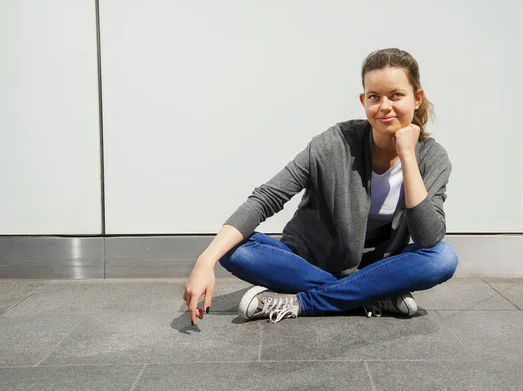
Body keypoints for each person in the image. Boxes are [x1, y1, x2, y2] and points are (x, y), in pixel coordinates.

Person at [183, 48, 458, 325]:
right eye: (374, 97)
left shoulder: (433, 157)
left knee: (442, 257)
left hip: (378, 267)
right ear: (363, 101)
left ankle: (306, 301)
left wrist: (408, 156)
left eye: (396, 95)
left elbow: (427, 238)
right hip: (311, 262)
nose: (384, 106)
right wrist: (205, 261)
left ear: (417, 98)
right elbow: (268, 196)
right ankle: (369, 294)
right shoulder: (335, 142)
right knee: (233, 249)